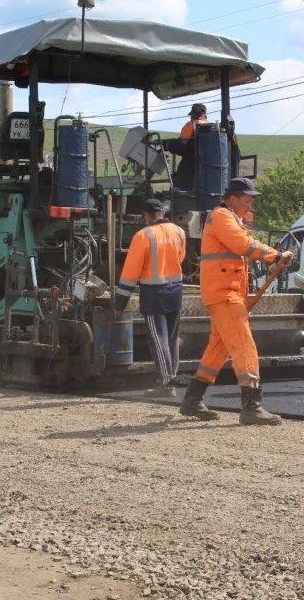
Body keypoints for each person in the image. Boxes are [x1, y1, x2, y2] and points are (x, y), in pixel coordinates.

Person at [179, 177, 293, 426]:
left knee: (218, 349)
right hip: (223, 292)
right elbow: (242, 245)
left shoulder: (232, 218)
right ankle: (252, 406)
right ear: (232, 198)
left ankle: (192, 400)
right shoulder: (221, 216)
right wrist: (275, 255)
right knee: (244, 345)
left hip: (226, 292)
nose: (250, 205)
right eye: (247, 200)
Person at [113, 199, 186, 398]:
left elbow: (130, 272)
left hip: (154, 294)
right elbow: (180, 258)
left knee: (158, 337)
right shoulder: (178, 232)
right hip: (176, 291)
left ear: (146, 216)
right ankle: (171, 378)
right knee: (171, 337)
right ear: (162, 212)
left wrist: (119, 304)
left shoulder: (143, 236)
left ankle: (167, 383)